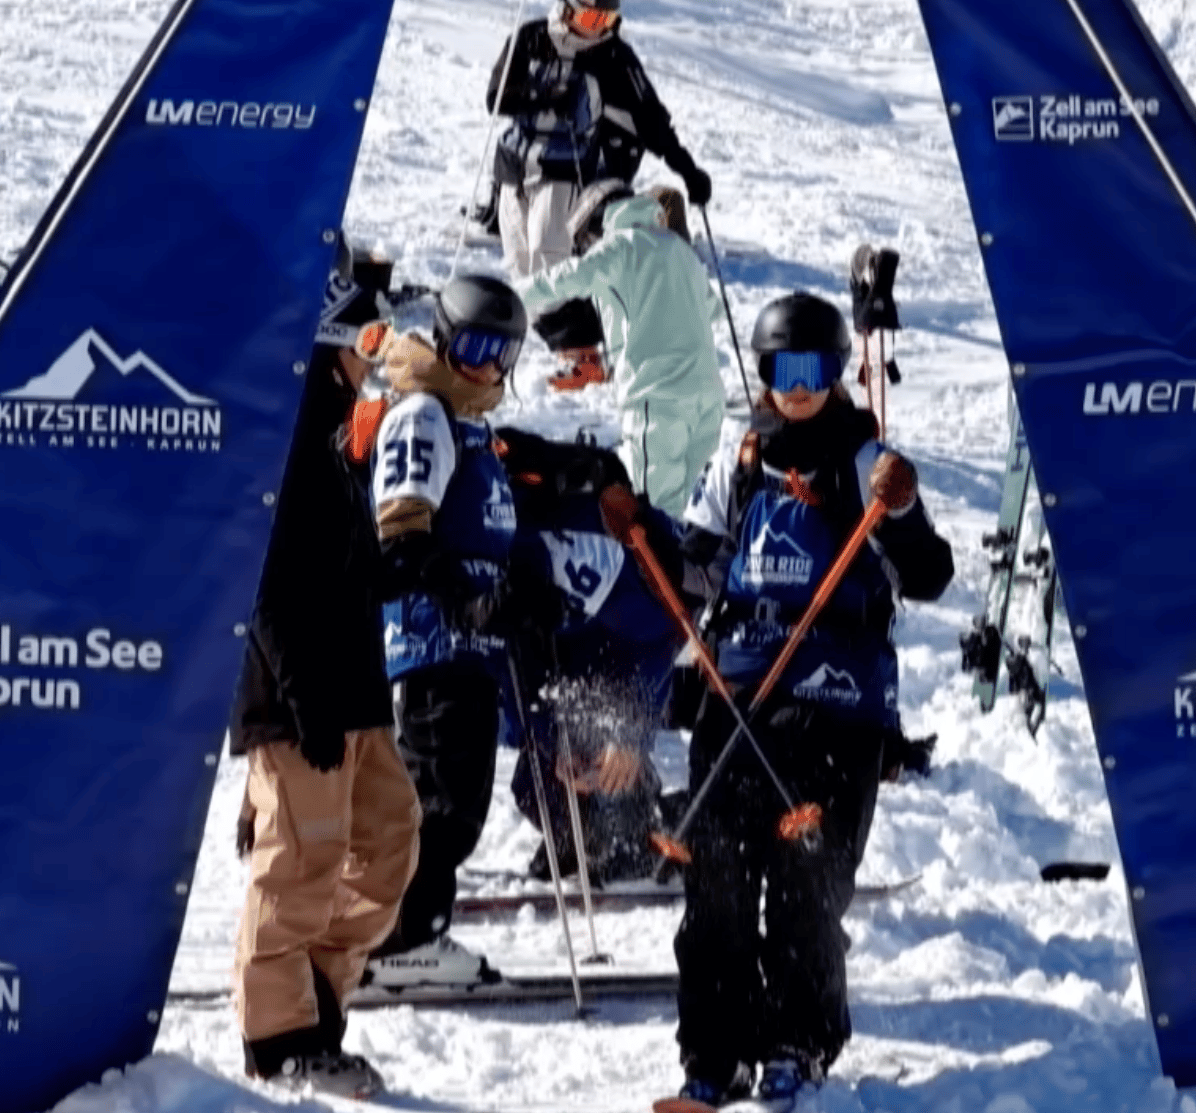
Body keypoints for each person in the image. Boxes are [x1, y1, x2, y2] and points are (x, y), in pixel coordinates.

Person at [656, 291, 955, 1110]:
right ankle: (714, 1052)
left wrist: (899, 509)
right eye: (782, 370)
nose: (797, 388)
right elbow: (696, 564)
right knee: (716, 879)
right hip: (741, 692)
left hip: (834, 696)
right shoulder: (743, 455)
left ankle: (798, 1040)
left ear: (835, 373)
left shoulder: (864, 460)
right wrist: (641, 532)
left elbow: (928, 575)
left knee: (805, 881)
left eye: (813, 370)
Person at [229, 260, 422, 1100]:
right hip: (300, 697)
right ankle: (279, 1039)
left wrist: (406, 571)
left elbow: (341, 569)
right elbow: (265, 582)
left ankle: (311, 995)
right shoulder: (287, 438)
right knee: (301, 862)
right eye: (368, 338)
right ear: (330, 338)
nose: (376, 356)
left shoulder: (339, 439)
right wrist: (299, 695)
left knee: (390, 841)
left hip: (355, 695)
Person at [355, 275, 527, 991]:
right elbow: (401, 534)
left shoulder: (468, 424)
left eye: (502, 353)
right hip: (434, 639)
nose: (486, 367)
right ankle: (401, 938)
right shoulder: (424, 413)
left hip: (469, 642)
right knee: (441, 800)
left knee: (456, 798)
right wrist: (466, 601)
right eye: (475, 348)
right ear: (447, 339)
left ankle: (402, 929)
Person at [487, 0, 712, 387]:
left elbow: (650, 118)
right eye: (591, 18)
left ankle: (583, 352)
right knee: (519, 260)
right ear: (567, 8)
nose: (598, 29)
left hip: (565, 167)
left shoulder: (613, 55)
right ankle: (567, 347)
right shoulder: (531, 38)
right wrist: (544, 97)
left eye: (607, 20)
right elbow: (496, 98)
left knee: (549, 254)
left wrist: (687, 169)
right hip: (514, 166)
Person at [494, 426, 685, 884]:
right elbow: (502, 680)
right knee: (535, 787)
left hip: (620, 659)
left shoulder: (576, 552)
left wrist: (630, 732)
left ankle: (647, 827)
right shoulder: (469, 563)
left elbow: (658, 635)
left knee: (609, 774)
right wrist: (548, 741)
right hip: (553, 672)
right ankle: (584, 837)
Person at [518, 180, 727, 518]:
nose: (587, 249)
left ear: (598, 222)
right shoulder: (679, 249)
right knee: (691, 508)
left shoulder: (621, 245)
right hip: (708, 398)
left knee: (651, 512)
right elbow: (713, 309)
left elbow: (567, 278)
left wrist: (510, 296)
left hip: (658, 400)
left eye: (585, 241)